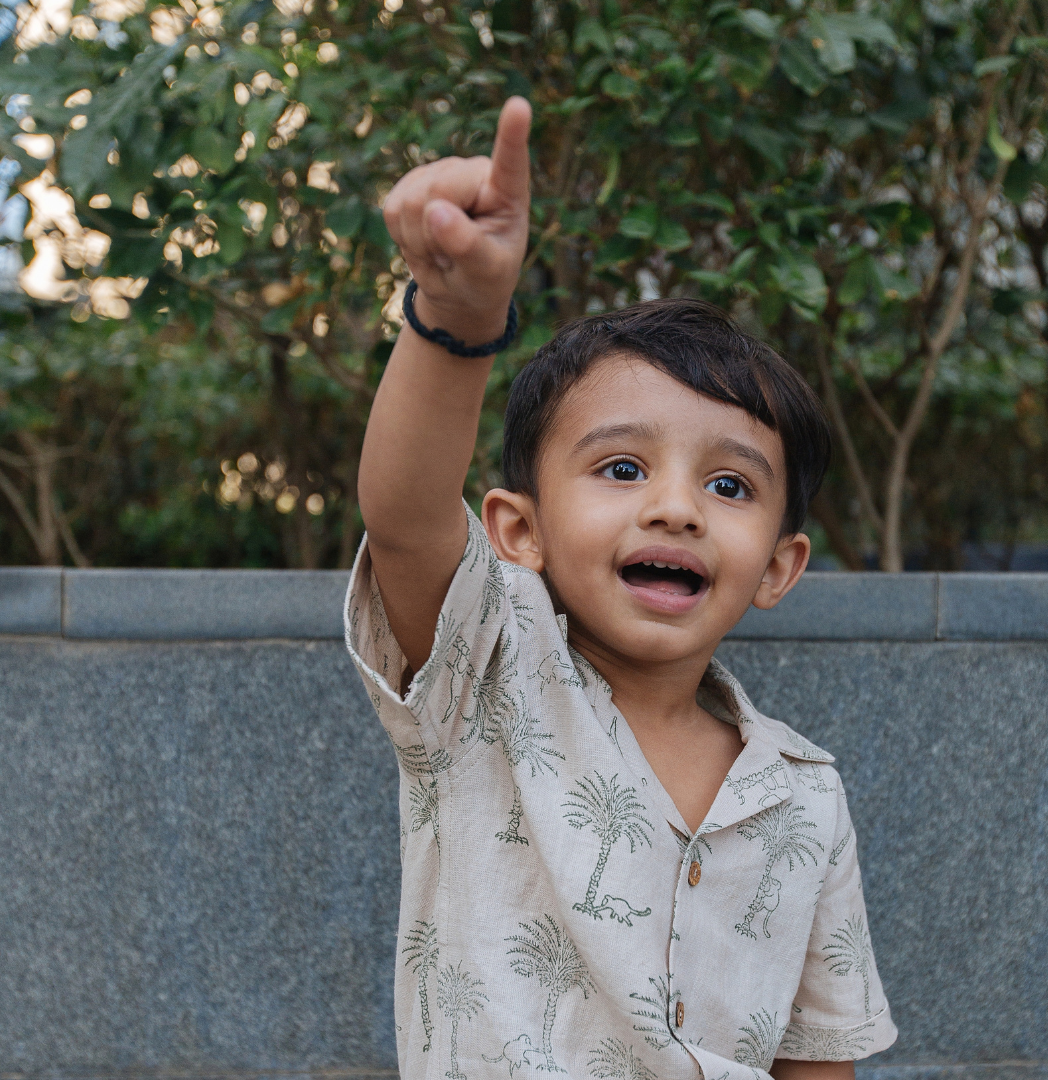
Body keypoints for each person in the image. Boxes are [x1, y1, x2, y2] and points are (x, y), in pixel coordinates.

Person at [348, 95, 896, 1080]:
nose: (678, 509)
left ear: (778, 565)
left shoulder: (805, 797)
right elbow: (403, 514)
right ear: (519, 530)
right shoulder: (483, 676)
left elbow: (819, 1055)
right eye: (622, 469)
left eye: (729, 486)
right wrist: (458, 319)